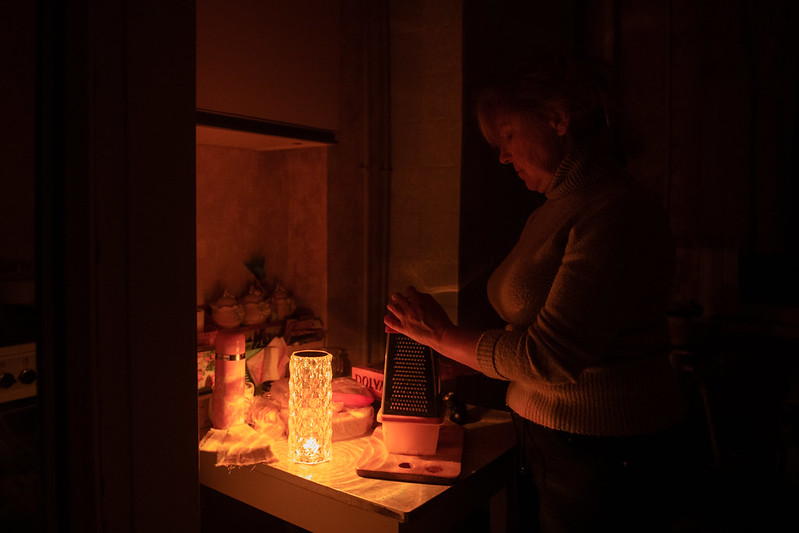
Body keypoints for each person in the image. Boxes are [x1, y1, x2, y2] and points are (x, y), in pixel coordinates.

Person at [384, 54, 687, 533]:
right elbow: (536, 332)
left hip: (603, 452)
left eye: (507, 135)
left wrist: (441, 333)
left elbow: (549, 358)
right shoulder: (555, 208)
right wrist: (466, 358)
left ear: (558, 118)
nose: (502, 156)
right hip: (551, 439)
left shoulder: (615, 211)